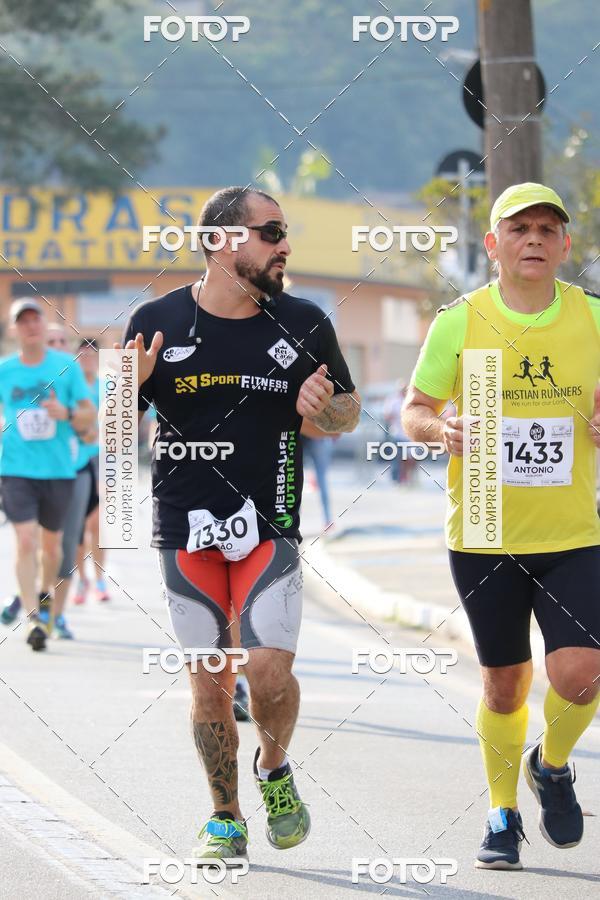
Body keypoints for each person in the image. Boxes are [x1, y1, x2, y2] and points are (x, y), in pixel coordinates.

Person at [118, 186, 360, 864]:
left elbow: (345, 413)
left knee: (269, 673)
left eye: (285, 232)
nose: (285, 245)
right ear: (223, 241)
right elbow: (110, 445)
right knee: (210, 683)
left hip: (269, 525)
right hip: (185, 531)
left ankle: (273, 770)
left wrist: (325, 408)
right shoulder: (154, 319)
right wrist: (126, 391)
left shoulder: (304, 321)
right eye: (272, 232)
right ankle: (224, 816)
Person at [402, 183, 600, 870]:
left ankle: (552, 763)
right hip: (483, 528)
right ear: (493, 245)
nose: (535, 240)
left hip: (573, 532)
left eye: (549, 229)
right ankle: (502, 812)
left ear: (565, 245)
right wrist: (441, 427)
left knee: (580, 676)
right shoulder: (460, 322)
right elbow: (416, 408)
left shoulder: (594, 318)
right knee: (505, 685)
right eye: (520, 229)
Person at [0, 300, 94, 650]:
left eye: (34, 319)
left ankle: (43, 596)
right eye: (21, 321)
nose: (30, 326)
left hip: (58, 470)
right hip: (15, 469)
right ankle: (32, 619)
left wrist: (65, 412)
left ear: (44, 324)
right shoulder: (5, 370)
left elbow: (88, 418)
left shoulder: (65, 368)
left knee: (51, 548)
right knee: (25, 540)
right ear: (14, 330)